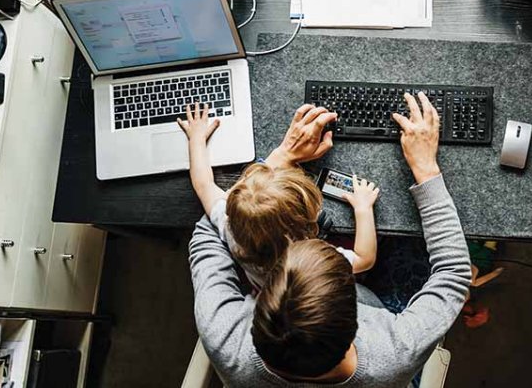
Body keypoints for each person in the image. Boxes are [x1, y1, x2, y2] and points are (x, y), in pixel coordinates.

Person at [188, 92, 472, 386]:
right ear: (355, 324)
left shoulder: (224, 338)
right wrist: (426, 168)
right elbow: (453, 273)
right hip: (381, 306)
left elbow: (209, 230)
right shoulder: (394, 353)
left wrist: (279, 159)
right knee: (409, 247)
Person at [178, 103, 380, 288]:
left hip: (265, 286)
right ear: (305, 225)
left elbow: (203, 184)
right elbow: (364, 259)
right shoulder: (312, 260)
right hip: (306, 286)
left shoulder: (231, 226)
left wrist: (196, 139)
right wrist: (363, 209)